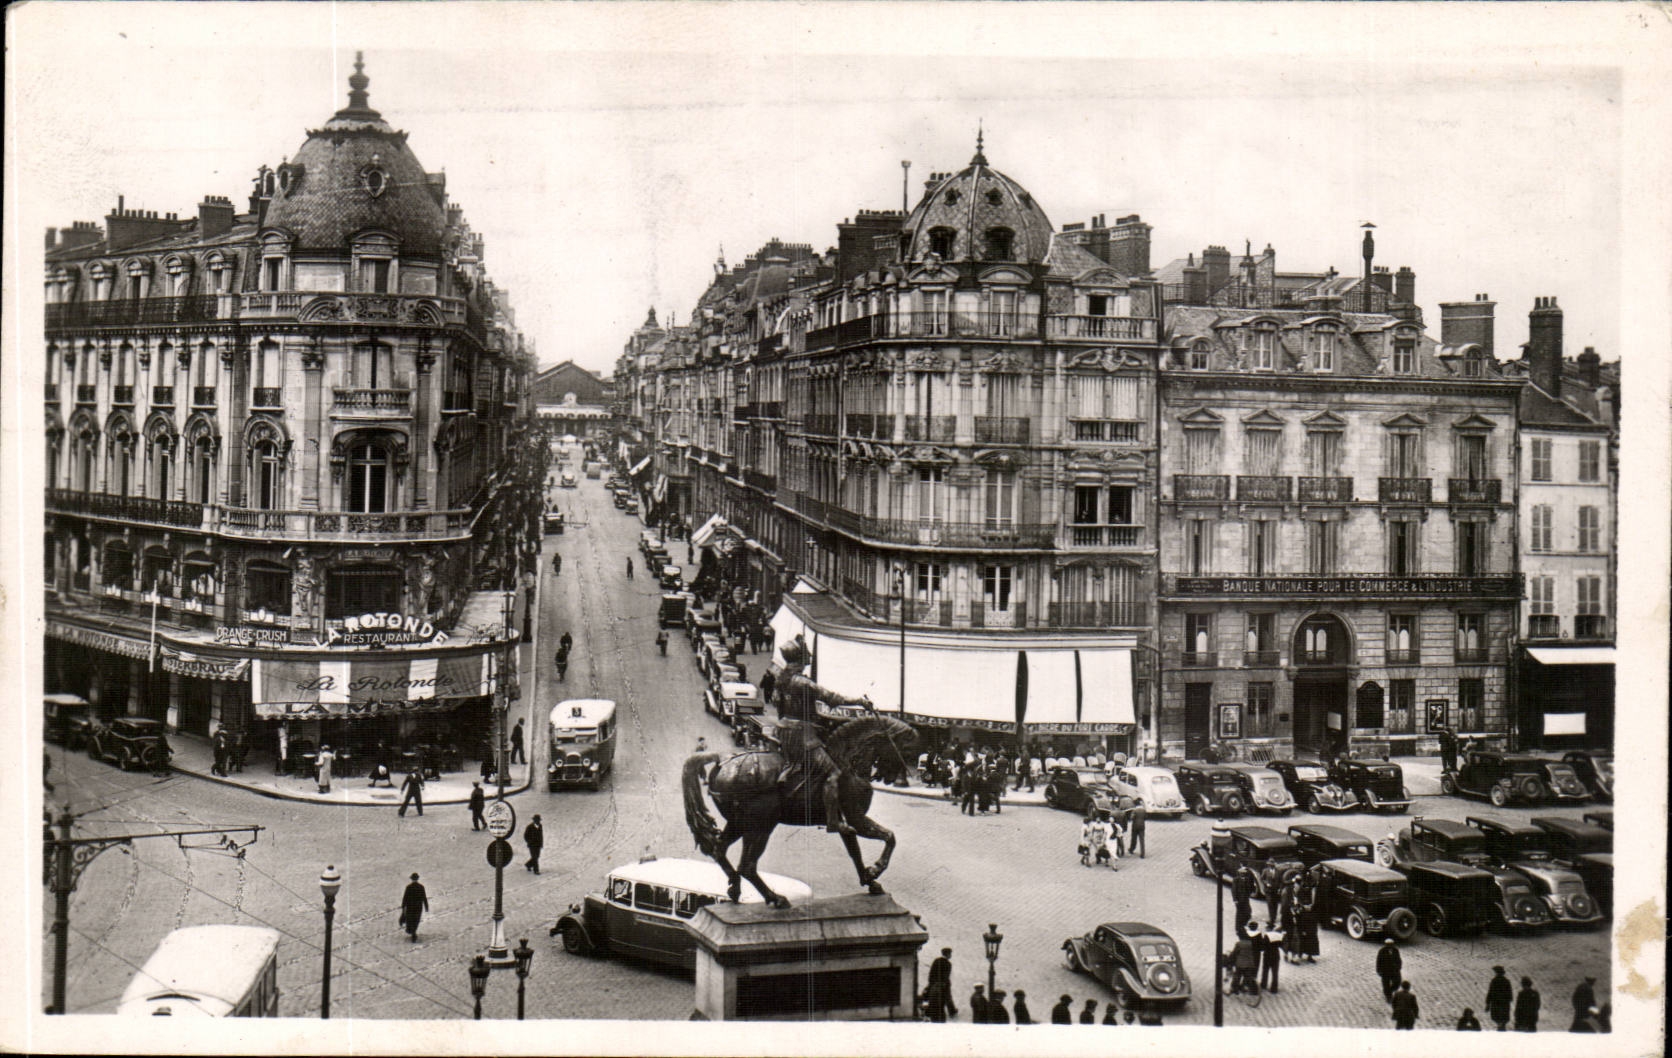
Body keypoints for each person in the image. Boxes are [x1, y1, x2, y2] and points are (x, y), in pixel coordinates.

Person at [773, 635, 871, 834]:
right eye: (806, 655)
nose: (809, 657)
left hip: (785, 732)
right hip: (803, 736)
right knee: (833, 773)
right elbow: (832, 698)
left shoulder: (781, 680)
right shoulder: (803, 682)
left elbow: (782, 706)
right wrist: (860, 701)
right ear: (799, 659)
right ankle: (833, 821)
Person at [923, 947, 957, 1023]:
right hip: (941, 990)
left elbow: (930, 975)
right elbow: (945, 977)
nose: (950, 955)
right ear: (948, 954)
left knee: (933, 1009)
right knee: (941, 1011)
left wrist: (931, 984)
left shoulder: (936, 961)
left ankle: (927, 1015)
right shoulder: (948, 964)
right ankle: (952, 1012)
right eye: (950, 954)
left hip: (933, 987)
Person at [1227, 927, 1259, 995]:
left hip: (1240, 964)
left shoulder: (1239, 944)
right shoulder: (1251, 943)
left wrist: (1229, 960)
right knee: (1248, 976)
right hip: (1250, 963)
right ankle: (1247, 987)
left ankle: (1234, 989)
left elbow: (1234, 953)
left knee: (1237, 976)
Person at [398, 872, 428, 942]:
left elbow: (405, 897)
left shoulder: (409, 887)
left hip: (410, 907)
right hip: (418, 907)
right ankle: (414, 932)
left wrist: (403, 906)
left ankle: (412, 932)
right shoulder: (421, 887)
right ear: (417, 879)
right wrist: (426, 906)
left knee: (410, 920)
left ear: (411, 879)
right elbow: (424, 897)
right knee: (416, 920)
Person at [1485, 965, 1513, 1030]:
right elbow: (1510, 996)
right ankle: (1502, 1027)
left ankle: (1500, 1027)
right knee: (1503, 1019)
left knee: (1497, 1018)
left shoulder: (1494, 981)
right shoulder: (1506, 981)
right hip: (1504, 1004)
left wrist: (1487, 1004)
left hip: (1496, 1004)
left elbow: (1490, 993)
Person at [1258, 919, 1283, 993]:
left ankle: (1264, 984)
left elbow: (1263, 946)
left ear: (1268, 928)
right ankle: (1274, 988)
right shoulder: (1278, 935)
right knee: (1275, 972)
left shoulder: (1267, 936)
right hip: (1276, 954)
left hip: (1268, 954)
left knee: (1265, 970)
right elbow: (1281, 944)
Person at [1376, 937, 1403, 1003]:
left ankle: (1390, 990)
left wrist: (1399, 967)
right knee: (1386, 984)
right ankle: (1388, 996)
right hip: (1385, 971)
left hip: (1395, 970)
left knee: (1397, 982)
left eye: (1391, 944)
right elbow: (1378, 961)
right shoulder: (1382, 951)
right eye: (1388, 944)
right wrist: (1379, 970)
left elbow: (1398, 959)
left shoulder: (1395, 950)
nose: (1390, 946)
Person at [1232, 865, 1257, 937]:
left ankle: (1244, 924)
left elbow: (1249, 887)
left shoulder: (1246, 880)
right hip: (1239, 900)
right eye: (1242, 873)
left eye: (1244, 873)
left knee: (1248, 912)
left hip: (1245, 899)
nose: (1243, 874)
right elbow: (1234, 890)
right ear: (1239, 873)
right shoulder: (1236, 880)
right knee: (1239, 914)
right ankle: (1238, 928)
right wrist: (1235, 899)